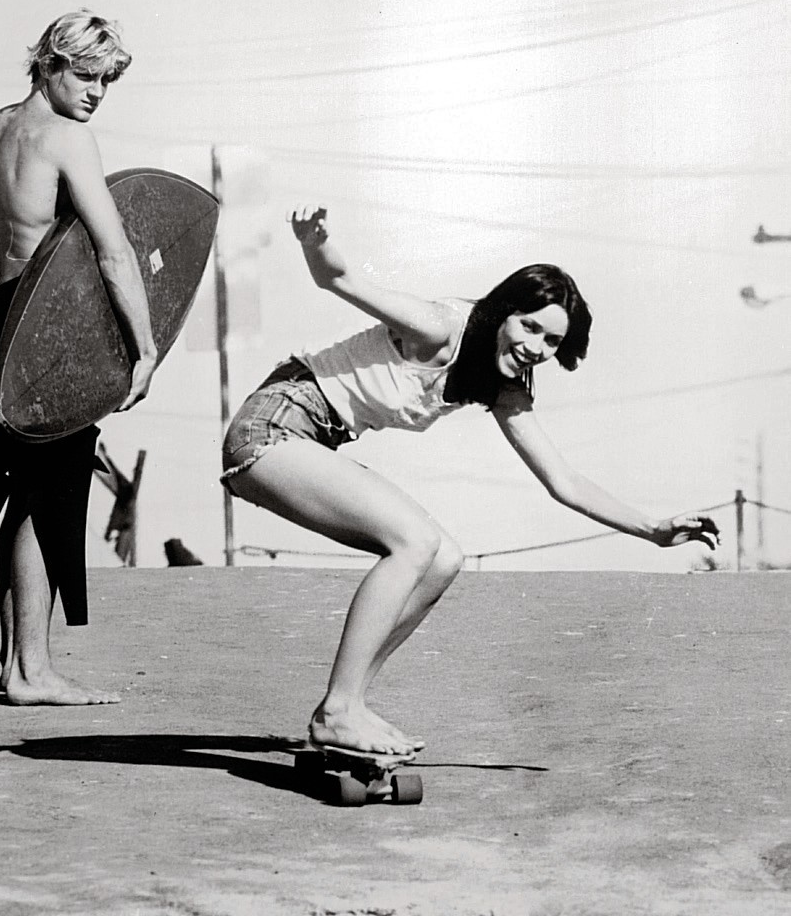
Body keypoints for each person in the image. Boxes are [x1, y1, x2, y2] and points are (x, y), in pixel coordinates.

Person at [221, 205, 720, 755]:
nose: (535, 348)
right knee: (414, 542)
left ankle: (348, 706)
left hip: (311, 440)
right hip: (272, 426)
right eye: (529, 326)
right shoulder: (440, 326)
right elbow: (340, 279)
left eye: (552, 342)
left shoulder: (504, 386)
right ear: (503, 312)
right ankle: (338, 711)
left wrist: (652, 529)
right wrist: (314, 240)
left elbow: (564, 481)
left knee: (444, 559)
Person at [0, 10, 158, 705]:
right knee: (48, 495)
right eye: (86, 75)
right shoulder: (67, 138)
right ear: (48, 63)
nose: (97, 92)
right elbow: (112, 250)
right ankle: (33, 671)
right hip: (43, 328)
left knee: (19, 489)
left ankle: (18, 665)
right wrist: (143, 348)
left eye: (107, 81)